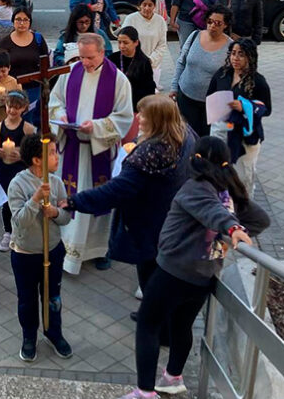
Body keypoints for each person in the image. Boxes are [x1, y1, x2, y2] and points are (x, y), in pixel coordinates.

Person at [116, 136, 268, 399]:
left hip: (174, 271)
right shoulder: (228, 190)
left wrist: (231, 229)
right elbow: (260, 219)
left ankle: (145, 393)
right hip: (204, 274)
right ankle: (173, 377)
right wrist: (222, 244)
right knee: (181, 325)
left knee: (148, 325)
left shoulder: (196, 188)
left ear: (194, 160)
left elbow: (214, 214)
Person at [64, 94, 195, 316]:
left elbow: (113, 192)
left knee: (149, 274)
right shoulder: (185, 134)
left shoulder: (146, 156)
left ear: (157, 120)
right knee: (162, 274)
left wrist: (73, 201)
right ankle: (156, 313)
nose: (138, 118)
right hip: (173, 218)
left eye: (144, 115)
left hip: (147, 224)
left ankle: (156, 323)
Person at [48, 33, 133, 274]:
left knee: (98, 200)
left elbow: (124, 117)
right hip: (73, 150)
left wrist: (95, 127)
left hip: (100, 152)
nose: (84, 62)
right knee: (71, 196)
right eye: (82, 56)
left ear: (102, 52)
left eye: (90, 57)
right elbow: (55, 101)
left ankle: (99, 250)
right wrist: (61, 116)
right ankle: (66, 248)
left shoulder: (118, 80)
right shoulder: (71, 71)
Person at [7, 133, 74, 362]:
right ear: (37, 160)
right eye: (53, 153)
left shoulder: (56, 181)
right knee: (27, 300)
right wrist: (35, 199)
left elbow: (66, 217)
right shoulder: (18, 184)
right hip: (26, 254)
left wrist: (55, 213)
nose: (58, 157)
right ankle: (29, 337)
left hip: (52, 249)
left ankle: (53, 333)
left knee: (53, 297)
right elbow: (18, 222)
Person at [207, 38, 270, 196]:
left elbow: (267, 109)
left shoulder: (258, 81)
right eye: (233, 53)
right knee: (218, 169)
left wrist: (245, 107)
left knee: (243, 174)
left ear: (250, 57)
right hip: (220, 128)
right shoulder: (222, 74)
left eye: (241, 54)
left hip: (245, 135)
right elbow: (210, 95)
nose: (235, 58)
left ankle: (245, 205)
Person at [171, 4, 232, 137]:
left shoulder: (231, 47)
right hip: (185, 97)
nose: (212, 26)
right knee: (185, 136)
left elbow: (232, 76)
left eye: (218, 23)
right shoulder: (194, 36)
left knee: (205, 139)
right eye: (210, 21)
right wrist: (174, 87)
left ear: (225, 25)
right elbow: (181, 62)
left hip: (211, 105)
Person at [0, 91, 36, 252]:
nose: (12, 111)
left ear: (24, 108)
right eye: (10, 106)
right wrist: (1, 153)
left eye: (17, 108)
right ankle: (8, 232)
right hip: (4, 169)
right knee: (6, 202)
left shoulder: (28, 128)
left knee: (23, 200)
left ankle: (23, 229)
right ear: (6, 105)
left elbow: (32, 154)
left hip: (20, 170)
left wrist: (21, 155)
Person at [0, 7, 47, 126]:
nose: (22, 23)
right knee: (15, 122)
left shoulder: (38, 39)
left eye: (25, 20)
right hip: (12, 90)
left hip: (34, 88)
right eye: (18, 19)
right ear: (13, 21)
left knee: (32, 122)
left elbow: (46, 63)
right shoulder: (5, 43)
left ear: (30, 22)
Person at [121, 0, 169, 88]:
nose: (147, 8)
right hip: (133, 64)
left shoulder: (160, 21)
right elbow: (124, 41)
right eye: (144, 5)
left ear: (154, 6)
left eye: (150, 5)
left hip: (153, 65)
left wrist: (150, 60)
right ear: (139, 5)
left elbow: (162, 44)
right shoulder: (131, 19)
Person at [108, 26, 155, 110]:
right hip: (115, 104)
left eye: (125, 43)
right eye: (119, 42)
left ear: (136, 43)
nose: (121, 46)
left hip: (135, 106)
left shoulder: (144, 62)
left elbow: (149, 89)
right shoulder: (112, 59)